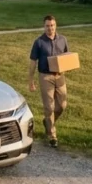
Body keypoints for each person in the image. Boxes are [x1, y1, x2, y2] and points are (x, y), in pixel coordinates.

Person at [28, 14, 70, 147]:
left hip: (60, 75)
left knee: (62, 105)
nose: (50, 28)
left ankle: (48, 122)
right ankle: (52, 136)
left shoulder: (63, 39)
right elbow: (33, 62)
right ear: (44, 26)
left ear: (55, 25)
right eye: (47, 26)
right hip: (45, 76)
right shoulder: (39, 42)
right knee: (49, 107)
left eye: (52, 25)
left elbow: (66, 57)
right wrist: (31, 81)